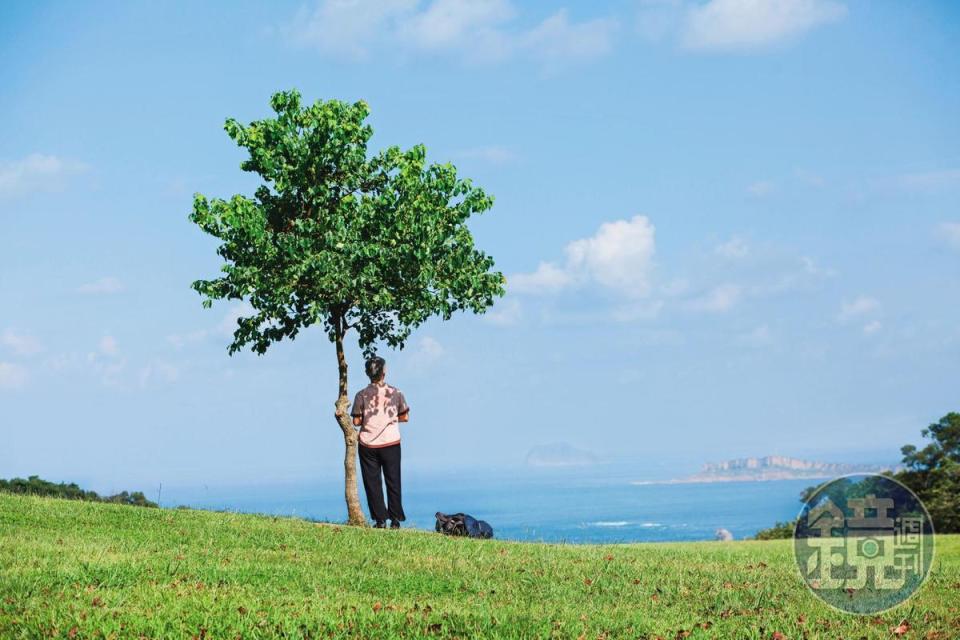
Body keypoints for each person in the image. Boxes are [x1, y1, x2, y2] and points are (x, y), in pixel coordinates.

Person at [351, 356, 410, 529]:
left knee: (372, 483)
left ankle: (380, 520)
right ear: (384, 372)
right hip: (391, 442)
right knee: (393, 480)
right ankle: (396, 519)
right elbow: (405, 416)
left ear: (367, 373)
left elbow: (356, 421)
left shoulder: (361, 395)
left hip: (368, 444)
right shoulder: (396, 393)